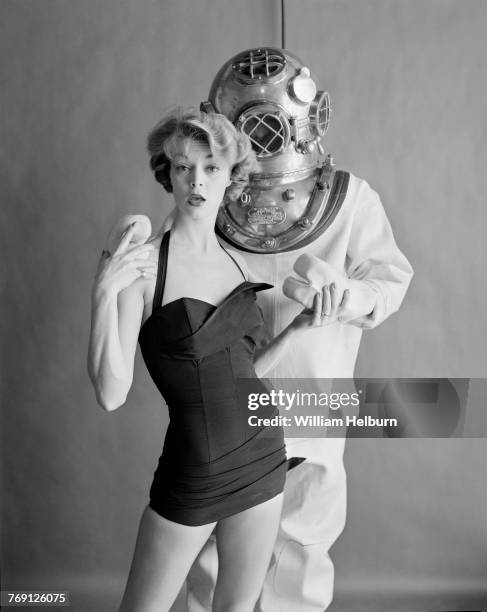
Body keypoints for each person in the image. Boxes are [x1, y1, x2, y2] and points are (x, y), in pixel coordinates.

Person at [108, 48, 414, 611]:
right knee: (211, 565)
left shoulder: (350, 202)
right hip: (226, 418)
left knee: (304, 547)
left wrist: (347, 297)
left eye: (276, 127)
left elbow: (389, 280)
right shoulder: (208, 206)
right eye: (256, 129)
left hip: (311, 405)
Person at [88, 107, 331, 612]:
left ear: (231, 178)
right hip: (195, 470)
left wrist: (299, 329)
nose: (196, 180)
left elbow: (243, 376)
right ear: (167, 174)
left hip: (264, 456)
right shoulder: (144, 266)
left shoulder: (235, 260)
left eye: (211, 168)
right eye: (182, 167)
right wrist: (102, 298)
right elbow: (111, 395)